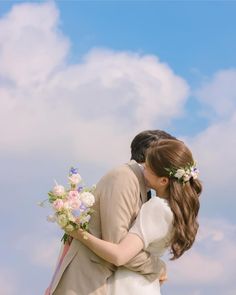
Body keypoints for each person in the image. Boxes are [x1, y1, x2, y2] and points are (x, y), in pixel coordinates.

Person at [47, 130, 176, 295]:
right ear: (152, 155)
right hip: (87, 283)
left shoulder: (142, 185)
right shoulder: (124, 177)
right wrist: (157, 267)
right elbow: (117, 244)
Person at [67, 139, 202, 295]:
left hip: (129, 285)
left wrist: (78, 233)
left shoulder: (157, 207)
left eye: (148, 167)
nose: (143, 169)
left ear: (163, 180)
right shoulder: (174, 209)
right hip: (145, 285)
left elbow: (119, 255)